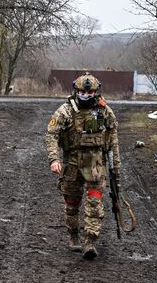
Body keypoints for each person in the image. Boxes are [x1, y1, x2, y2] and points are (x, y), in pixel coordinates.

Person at [44, 72, 121, 259]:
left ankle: (90, 241)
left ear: (96, 92)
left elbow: (113, 141)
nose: (86, 95)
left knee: (94, 203)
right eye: (82, 92)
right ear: (76, 91)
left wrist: (115, 168)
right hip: (72, 164)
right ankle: (73, 235)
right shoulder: (65, 111)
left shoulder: (104, 111)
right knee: (72, 204)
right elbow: (51, 135)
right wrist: (54, 159)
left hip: (95, 166)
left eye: (90, 92)